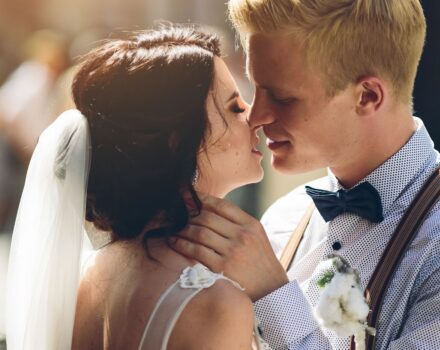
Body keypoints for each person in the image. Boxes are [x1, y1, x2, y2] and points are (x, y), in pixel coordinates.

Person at [171, 0, 440, 349]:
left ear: (367, 96)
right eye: (256, 88)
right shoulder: (283, 219)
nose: (256, 116)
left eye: (282, 97)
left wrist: (273, 295)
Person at [5, 25, 269, 349]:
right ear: (177, 141)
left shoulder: (86, 278)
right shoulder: (214, 306)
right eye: (235, 108)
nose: (256, 116)